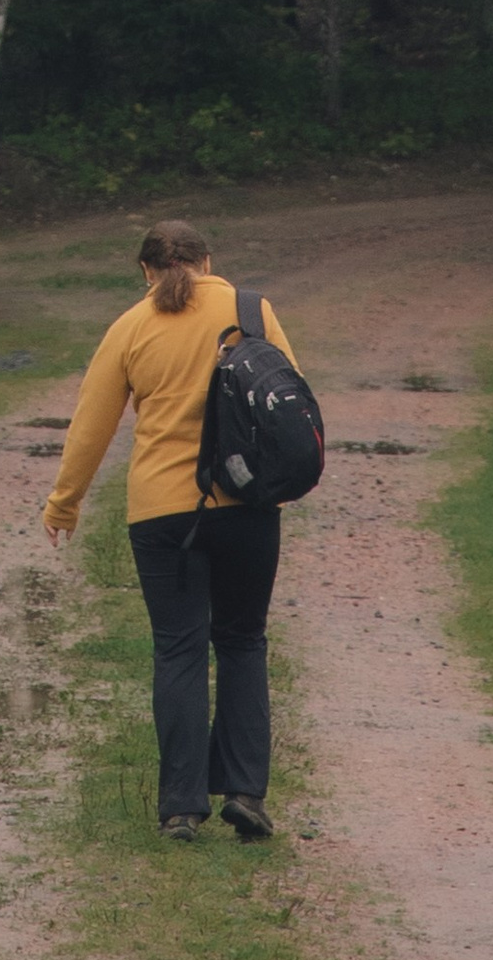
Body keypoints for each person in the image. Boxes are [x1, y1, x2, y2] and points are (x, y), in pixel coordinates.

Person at [40, 221, 302, 843]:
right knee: (242, 642)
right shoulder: (252, 312)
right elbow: (292, 403)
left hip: (162, 513)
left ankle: (181, 809)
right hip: (247, 504)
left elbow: (92, 424)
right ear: (207, 261)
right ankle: (245, 794)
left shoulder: (131, 327)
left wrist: (64, 504)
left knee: (179, 649)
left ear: (146, 271)